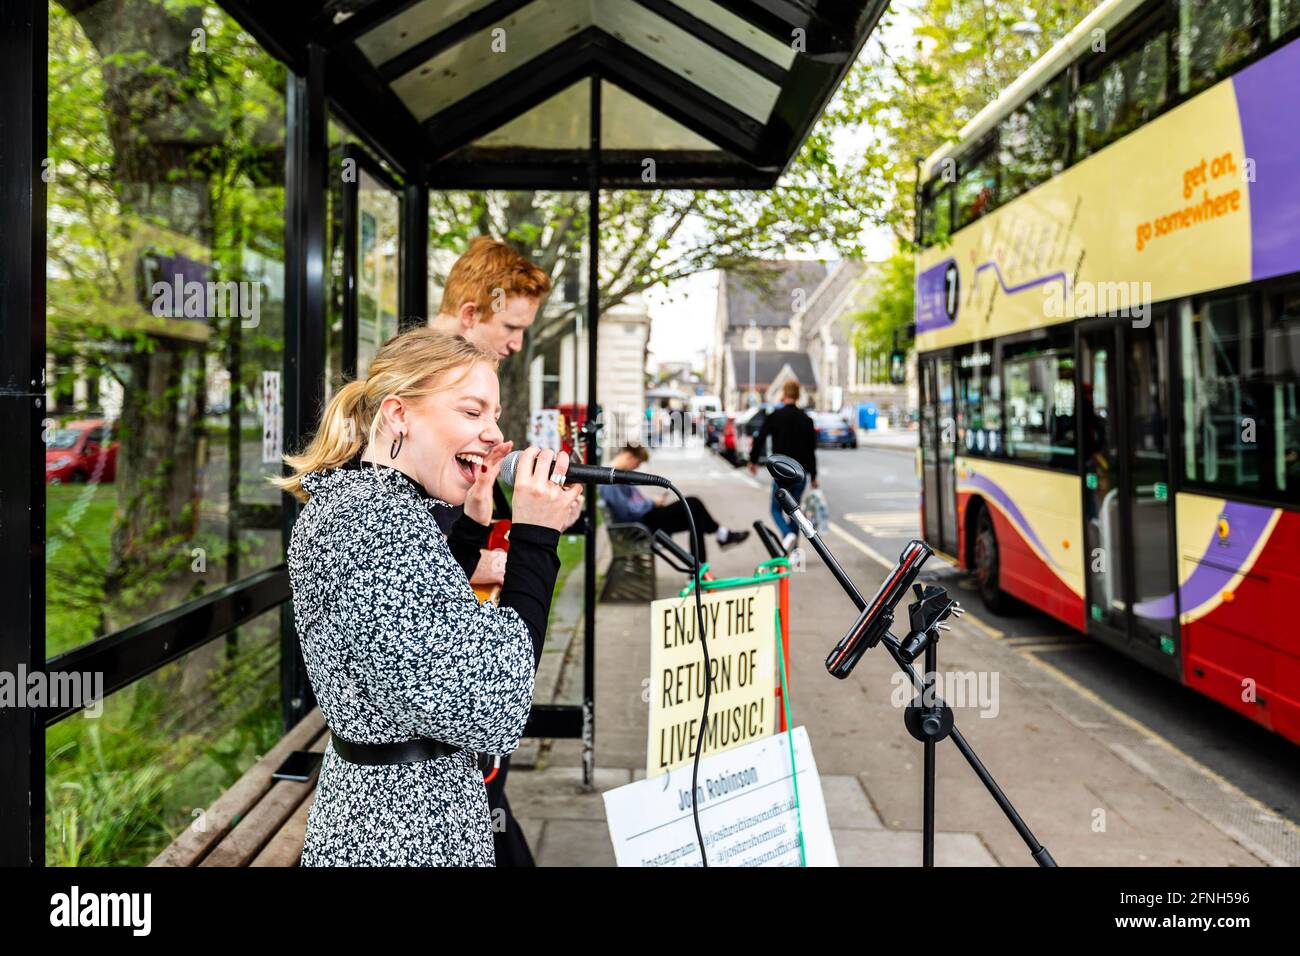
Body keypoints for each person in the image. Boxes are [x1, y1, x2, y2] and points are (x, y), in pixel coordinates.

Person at [275, 329, 583, 866]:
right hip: (402, 833)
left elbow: (413, 620)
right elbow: (494, 703)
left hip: (397, 816)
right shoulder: (371, 525)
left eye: (495, 415)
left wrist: (466, 531)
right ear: (399, 415)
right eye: (472, 412)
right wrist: (537, 539)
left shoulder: (376, 508)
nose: (494, 434)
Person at [426, 237, 567, 866]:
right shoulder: (414, 407)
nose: (515, 343)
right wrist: (528, 539)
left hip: (450, 713)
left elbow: (420, 561)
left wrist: (478, 539)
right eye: (474, 411)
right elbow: (401, 563)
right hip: (436, 736)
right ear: (470, 314)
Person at [599, 444, 748, 563]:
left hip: (644, 521)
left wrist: (653, 503)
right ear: (629, 457)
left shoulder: (614, 476)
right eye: (636, 464)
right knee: (693, 504)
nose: (635, 469)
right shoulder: (609, 480)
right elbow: (628, 512)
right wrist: (652, 503)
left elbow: (630, 507)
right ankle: (719, 538)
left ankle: (699, 569)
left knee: (695, 516)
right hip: (640, 526)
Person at [747, 380, 819, 551]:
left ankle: (788, 535)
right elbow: (811, 450)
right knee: (796, 512)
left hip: (781, 473)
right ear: (798, 395)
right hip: (800, 474)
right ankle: (794, 552)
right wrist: (814, 476)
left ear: (784, 394)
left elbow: (760, 438)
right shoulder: (807, 420)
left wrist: (753, 460)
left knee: (774, 509)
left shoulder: (775, 416)